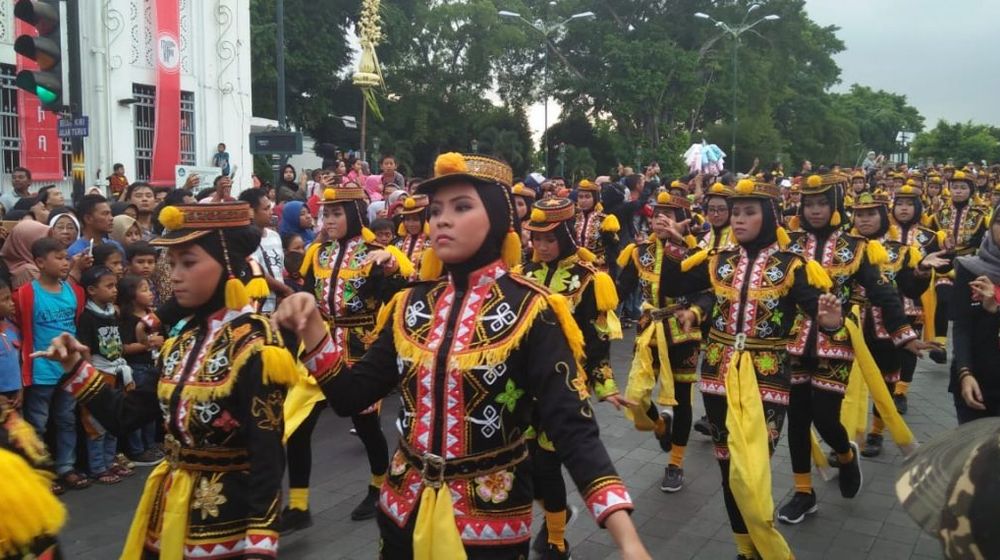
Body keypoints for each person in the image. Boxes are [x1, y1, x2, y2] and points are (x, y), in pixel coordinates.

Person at [272, 152, 649, 559]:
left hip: (489, 524)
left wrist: (626, 538)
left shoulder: (533, 310)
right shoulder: (408, 305)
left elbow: (572, 427)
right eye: (435, 210)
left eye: (462, 206)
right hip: (403, 512)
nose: (442, 220)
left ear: (497, 218)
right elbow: (350, 396)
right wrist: (312, 328)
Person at [37, 200, 301, 558]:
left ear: (226, 266)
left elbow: (267, 453)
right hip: (167, 511)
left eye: (188, 263)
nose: (175, 275)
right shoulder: (181, 341)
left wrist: (261, 540)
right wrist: (76, 369)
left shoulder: (256, 346)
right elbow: (126, 415)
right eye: (172, 263)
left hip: (226, 522)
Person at [676, 177, 842, 559]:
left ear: (768, 217)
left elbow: (816, 307)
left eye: (749, 213)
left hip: (766, 374)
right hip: (717, 373)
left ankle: (761, 540)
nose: (738, 220)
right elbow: (686, 285)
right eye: (735, 213)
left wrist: (830, 320)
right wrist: (693, 305)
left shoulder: (792, 266)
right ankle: (744, 548)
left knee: (752, 468)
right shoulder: (718, 260)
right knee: (726, 465)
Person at [287, 182, 409, 530]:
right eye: (326, 213)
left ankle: (376, 486)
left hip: (359, 347)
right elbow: (308, 292)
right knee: (298, 425)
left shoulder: (376, 252)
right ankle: (297, 505)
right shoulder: (318, 252)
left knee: (367, 425)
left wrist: (389, 266)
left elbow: (399, 293)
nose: (328, 220)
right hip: (321, 343)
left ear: (355, 215)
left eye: (337, 214)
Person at [520, 196, 628, 557]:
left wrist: (605, 384)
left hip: (564, 384)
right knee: (526, 464)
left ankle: (555, 538)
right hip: (522, 386)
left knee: (549, 464)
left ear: (565, 236)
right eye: (536, 239)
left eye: (549, 239)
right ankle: (558, 514)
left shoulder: (589, 279)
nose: (542, 246)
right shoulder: (521, 273)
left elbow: (597, 342)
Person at [618, 191, 706, 493]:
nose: (660, 220)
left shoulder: (694, 251)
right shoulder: (637, 251)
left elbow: (702, 291)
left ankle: (676, 463)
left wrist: (694, 312)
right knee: (637, 393)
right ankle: (658, 424)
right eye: (657, 214)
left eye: (669, 214)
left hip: (682, 332)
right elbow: (622, 287)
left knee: (681, 398)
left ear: (683, 220)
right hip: (649, 329)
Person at [16, 237, 87, 494]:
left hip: (68, 368)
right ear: (39, 262)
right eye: (58, 257)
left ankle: (66, 467)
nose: (65, 262)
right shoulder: (26, 294)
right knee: (38, 424)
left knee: (67, 420)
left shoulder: (73, 292)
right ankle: (41, 473)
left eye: (66, 257)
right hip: (41, 370)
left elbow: (77, 328)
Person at [77, 266, 134, 485]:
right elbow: (86, 348)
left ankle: (110, 461)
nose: (114, 290)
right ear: (91, 290)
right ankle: (97, 467)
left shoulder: (112, 312)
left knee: (114, 418)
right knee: (95, 423)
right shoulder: (87, 317)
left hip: (117, 369)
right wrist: (90, 374)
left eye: (115, 286)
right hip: (100, 371)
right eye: (108, 286)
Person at [890, 183, 943, 413]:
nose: (903, 209)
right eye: (899, 204)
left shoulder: (929, 237)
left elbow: (942, 265)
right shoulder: (883, 234)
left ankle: (902, 391)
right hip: (888, 299)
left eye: (909, 204)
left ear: (918, 207)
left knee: (909, 347)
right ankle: (888, 387)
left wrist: (948, 252)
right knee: (888, 347)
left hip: (915, 299)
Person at [927, 170, 988, 363]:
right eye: (955, 187)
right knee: (943, 299)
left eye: (963, 188)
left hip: (971, 266)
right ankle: (940, 345)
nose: (958, 192)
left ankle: (970, 346)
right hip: (945, 265)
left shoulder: (981, 216)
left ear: (971, 191)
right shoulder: (938, 215)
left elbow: (984, 244)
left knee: (969, 308)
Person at [951, 211, 1000, 422]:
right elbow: (962, 326)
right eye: (999, 221)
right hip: (977, 378)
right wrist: (965, 373)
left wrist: (994, 309)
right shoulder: (970, 268)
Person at [117, 274, 165, 466]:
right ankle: (137, 450)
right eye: (144, 289)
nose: (150, 293)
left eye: (150, 289)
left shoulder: (152, 316)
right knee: (137, 408)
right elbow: (125, 347)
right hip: (136, 366)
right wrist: (148, 344)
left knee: (151, 409)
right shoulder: (127, 319)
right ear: (131, 295)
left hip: (152, 364)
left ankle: (150, 444)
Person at [241, 188, 292, 313]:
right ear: (251, 212)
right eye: (266, 209)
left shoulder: (274, 236)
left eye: (270, 207)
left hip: (278, 305)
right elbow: (258, 272)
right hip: (258, 307)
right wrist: (286, 290)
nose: (271, 212)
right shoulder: (244, 240)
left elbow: (279, 270)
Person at [573, 179, 620, 270]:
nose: (583, 200)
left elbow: (613, 247)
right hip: (576, 266)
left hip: (598, 267)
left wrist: (600, 260)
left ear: (595, 198)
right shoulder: (573, 218)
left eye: (587, 197)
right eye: (580, 197)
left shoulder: (605, 220)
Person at [1, 220, 51, 290]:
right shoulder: (29, 271)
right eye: (41, 241)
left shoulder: (11, 264)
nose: (46, 245)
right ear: (25, 244)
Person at [67, 194, 119, 258]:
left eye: (111, 213)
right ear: (88, 218)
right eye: (105, 214)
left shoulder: (115, 247)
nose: (111, 218)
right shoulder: (75, 252)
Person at [393, 194, 431, 278]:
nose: (410, 224)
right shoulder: (397, 242)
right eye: (407, 219)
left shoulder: (434, 242)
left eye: (415, 219)